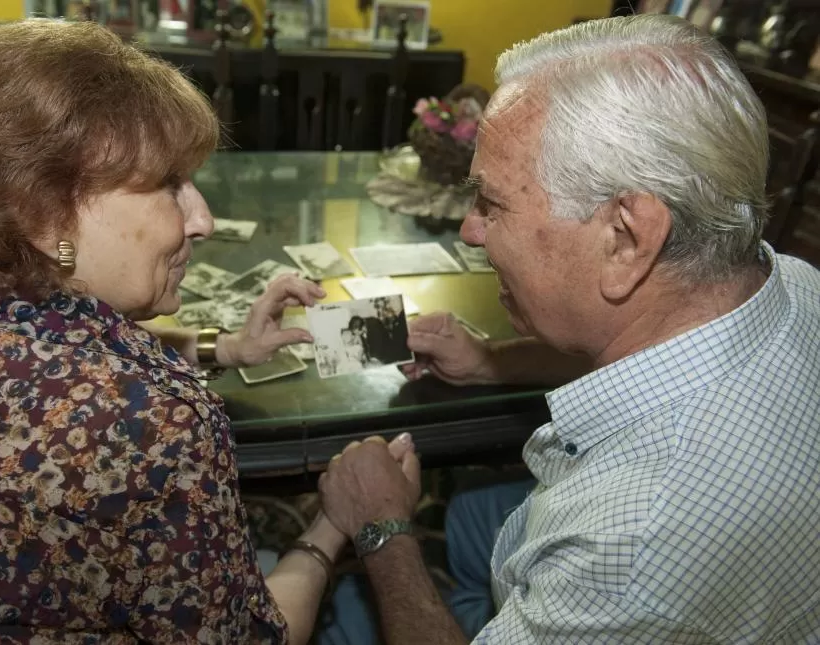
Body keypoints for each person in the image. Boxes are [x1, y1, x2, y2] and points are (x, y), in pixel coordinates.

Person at [0, 20, 410, 644]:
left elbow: (10, 361)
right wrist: (328, 530)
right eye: (170, 186)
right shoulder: (154, 424)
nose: (202, 218)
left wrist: (223, 348)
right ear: (43, 212)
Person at [318, 14, 820, 645]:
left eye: (492, 203)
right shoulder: (792, 280)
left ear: (626, 238)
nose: (470, 230)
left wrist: (383, 531)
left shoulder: (630, 552)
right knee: (478, 512)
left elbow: (626, 558)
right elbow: (656, 355)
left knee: (342, 619)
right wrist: (491, 361)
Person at [362, 297, 410, 365]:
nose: (381, 310)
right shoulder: (378, 320)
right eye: (378, 307)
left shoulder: (399, 317)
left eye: (383, 306)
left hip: (395, 353)